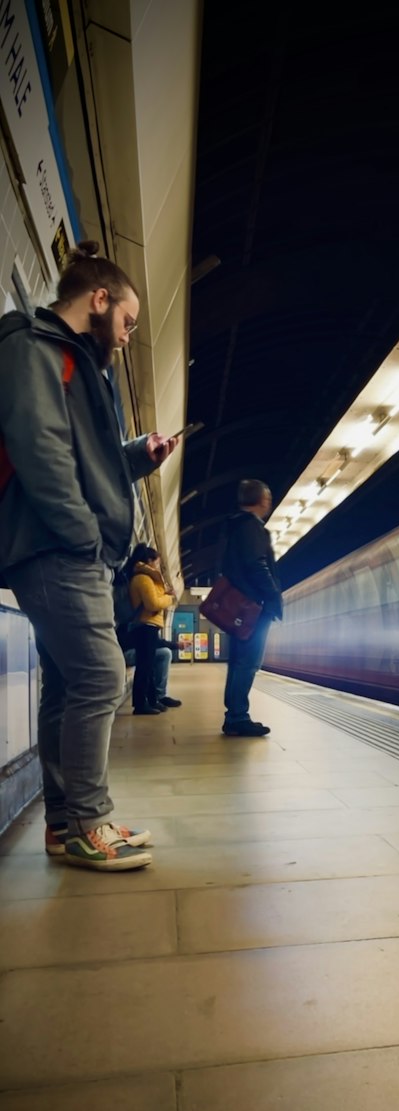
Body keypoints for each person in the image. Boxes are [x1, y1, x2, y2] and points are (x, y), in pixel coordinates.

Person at [0, 241, 180, 870]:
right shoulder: (33, 344)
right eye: (128, 320)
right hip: (54, 546)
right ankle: (89, 825)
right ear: (98, 300)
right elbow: (40, 446)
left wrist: (138, 456)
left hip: (64, 545)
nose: (128, 335)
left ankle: (63, 824)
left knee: (66, 686)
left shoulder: (78, 361)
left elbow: (88, 460)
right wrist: (84, 533)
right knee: (104, 676)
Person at [218, 478, 283, 736]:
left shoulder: (232, 528)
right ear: (262, 500)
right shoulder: (252, 528)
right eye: (267, 498)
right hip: (253, 607)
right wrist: (273, 596)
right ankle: (237, 717)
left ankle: (234, 715)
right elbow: (257, 565)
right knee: (248, 662)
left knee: (238, 662)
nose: (269, 503)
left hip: (238, 606)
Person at [125, 542, 177, 714]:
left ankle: (152, 700)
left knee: (149, 665)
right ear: (149, 560)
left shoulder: (146, 578)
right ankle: (140, 705)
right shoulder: (143, 578)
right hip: (145, 626)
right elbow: (152, 603)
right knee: (144, 666)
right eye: (157, 562)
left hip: (149, 625)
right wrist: (169, 599)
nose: (158, 566)